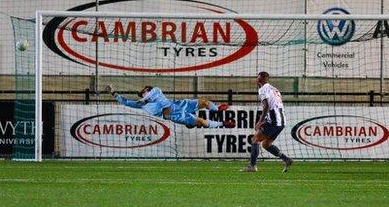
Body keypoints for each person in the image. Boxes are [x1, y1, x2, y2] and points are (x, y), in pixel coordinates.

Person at [105, 84, 235, 129]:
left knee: (205, 102)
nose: (144, 92)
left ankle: (217, 109)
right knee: (200, 121)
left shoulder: (156, 91)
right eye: (144, 92)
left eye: (145, 91)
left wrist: (143, 99)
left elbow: (153, 92)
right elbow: (125, 102)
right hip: (175, 114)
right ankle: (223, 124)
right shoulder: (141, 105)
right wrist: (112, 93)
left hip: (178, 104)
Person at [241, 72, 293, 173]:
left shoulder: (263, 89)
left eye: (258, 78)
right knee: (266, 144)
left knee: (255, 140)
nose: (256, 79)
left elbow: (267, 106)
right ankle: (286, 159)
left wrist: (260, 121)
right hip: (281, 121)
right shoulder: (274, 89)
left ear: (262, 79)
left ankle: (252, 166)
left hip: (274, 120)